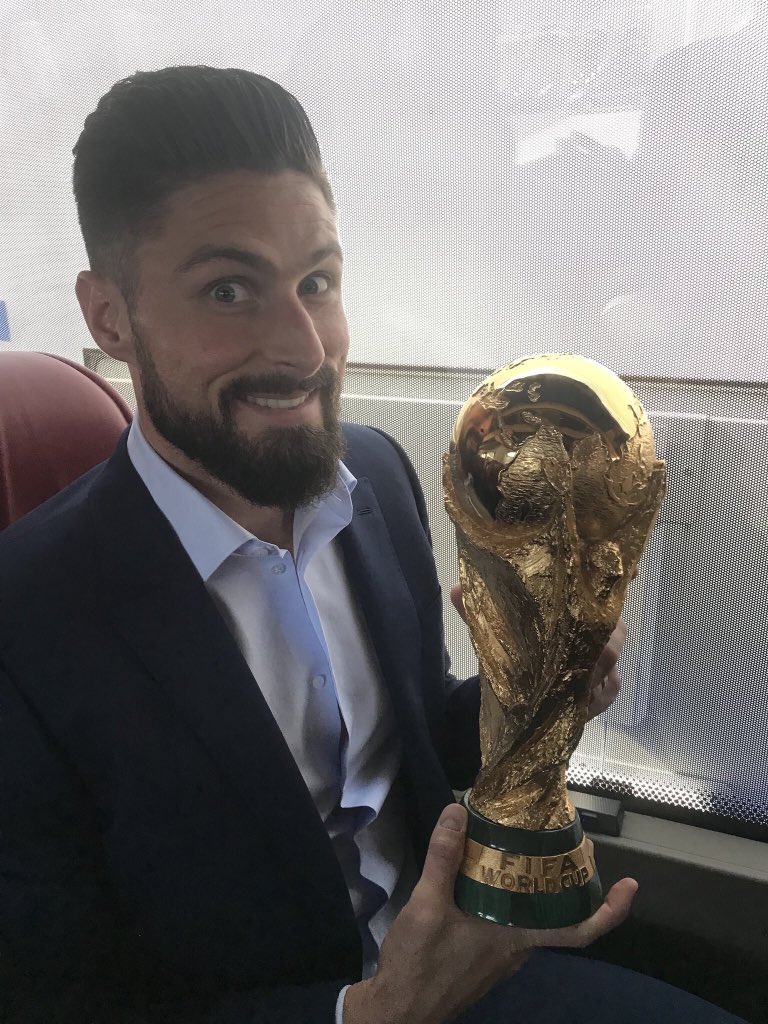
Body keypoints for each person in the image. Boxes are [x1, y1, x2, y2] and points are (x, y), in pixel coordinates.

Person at [0, 66, 744, 1024]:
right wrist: (376, 1012)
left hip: (476, 971)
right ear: (110, 316)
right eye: (229, 290)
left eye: (317, 282)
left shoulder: (381, 478)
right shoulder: (25, 625)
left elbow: (414, 742)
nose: (306, 348)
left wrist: (530, 690)